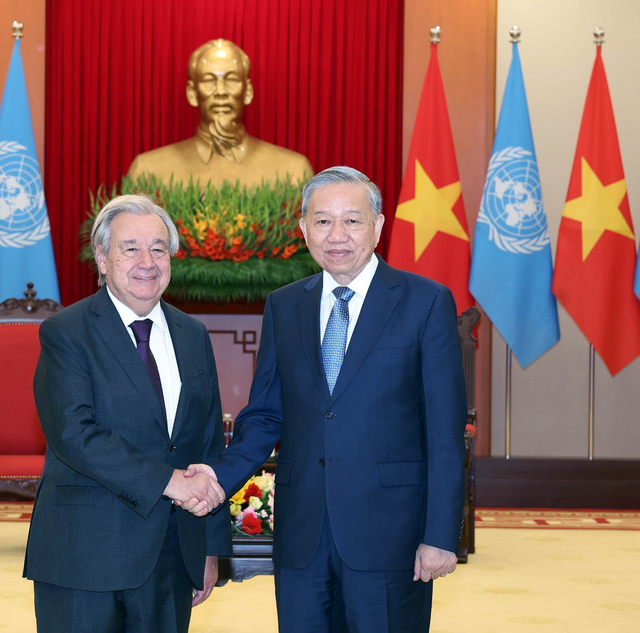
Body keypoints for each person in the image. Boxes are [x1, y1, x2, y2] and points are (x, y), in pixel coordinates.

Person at [187, 166, 467, 632]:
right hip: (302, 536)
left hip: (390, 535)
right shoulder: (285, 304)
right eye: (322, 221)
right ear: (303, 230)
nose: (336, 235)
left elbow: (443, 430)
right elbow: (264, 416)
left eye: (352, 220)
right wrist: (218, 475)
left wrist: (440, 535)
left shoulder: (426, 302)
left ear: (378, 227)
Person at [23, 194, 231, 633]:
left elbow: (207, 444)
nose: (147, 261)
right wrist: (171, 482)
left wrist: (209, 551)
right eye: (130, 248)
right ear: (102, 257)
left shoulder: (193, 335)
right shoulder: (66, 332)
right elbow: (75, 434)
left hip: (173, 556)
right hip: (84, 555)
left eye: (158, 248)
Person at [127, 38, 313, 189]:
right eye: (209, 80)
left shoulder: (293, 171)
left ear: (247, 91)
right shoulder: (148, 170)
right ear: (192, 93)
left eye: (231, 79)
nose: (221, 91)